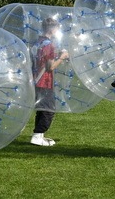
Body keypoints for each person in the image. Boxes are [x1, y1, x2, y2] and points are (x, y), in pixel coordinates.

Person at [30, 17, 69, 146]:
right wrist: (62, 57)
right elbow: (50, 67)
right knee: (49, 110)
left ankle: (38, 135)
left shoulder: (38, 42)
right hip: (45, 81)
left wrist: (56, 54)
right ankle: (37, 136)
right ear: (52, 30)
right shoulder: (49, 45)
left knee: (42, 108)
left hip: (36, 81)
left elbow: (42, 59)